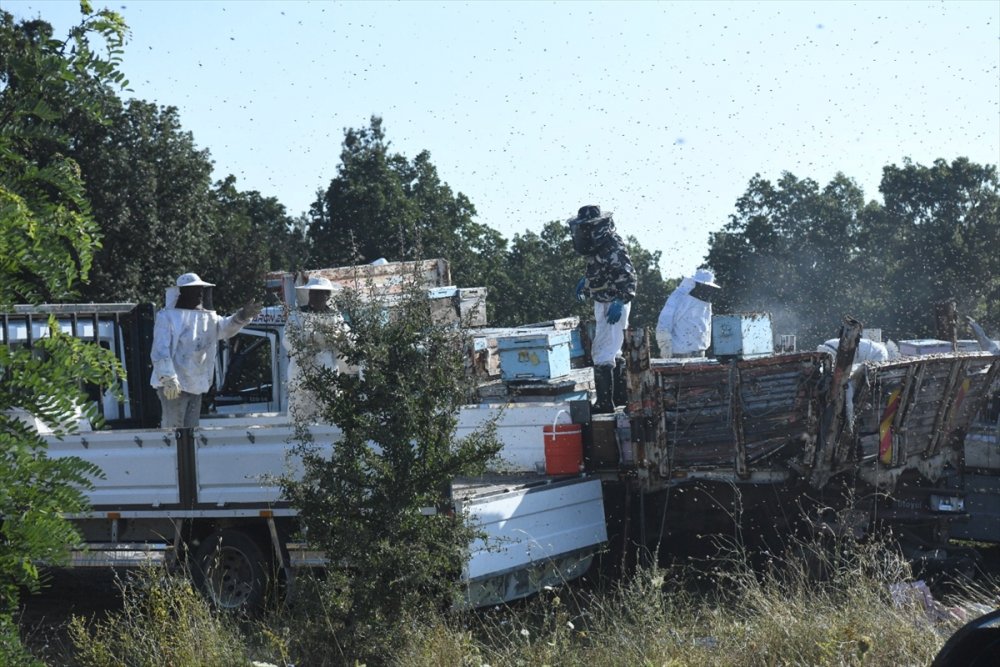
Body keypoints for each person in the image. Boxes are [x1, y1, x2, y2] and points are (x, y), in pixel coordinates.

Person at [150, 272, 261, 428]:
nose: (200, 293)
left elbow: (225, 329)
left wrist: (242, 316)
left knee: (191, 431)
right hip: (173, 385)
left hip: (196, 384)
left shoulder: (208, 318)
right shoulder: (167, 317)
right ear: (182, 292)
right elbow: (160, 350)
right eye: (194, 289)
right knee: (173, 431)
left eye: (201, 289)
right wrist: (168, 378)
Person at [569, 204, 637, 413]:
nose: (582, 232)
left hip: (613, 303)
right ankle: (618, 399)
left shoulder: (612, 246)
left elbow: (629, 277)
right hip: (604, 301)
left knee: (602, 352)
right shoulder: (599, 246)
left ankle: (606, 403)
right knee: (613, 350)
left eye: (585, 228)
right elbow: (602, 271)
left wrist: (620, 301)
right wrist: (586, 281)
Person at [283, 275, 352, 423]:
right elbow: (288, 340)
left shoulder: (335, 317)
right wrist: (307, 346)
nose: (314, 296)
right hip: (301, 370)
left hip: (327, 369)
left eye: (319, 293)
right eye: (312, 292)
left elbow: (347, 340)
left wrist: (339, 338)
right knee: (300, 408)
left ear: (327, 296)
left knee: (328, 408)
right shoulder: (296, 316)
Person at [655, 268, 721, 358]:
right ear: (696, 284)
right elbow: (664, 323)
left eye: (709, 287)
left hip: (700, 353)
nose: (707, 290)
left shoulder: (705, 304)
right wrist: (665, 346)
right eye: (705, 286)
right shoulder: (678, 298)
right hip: (679, 354)